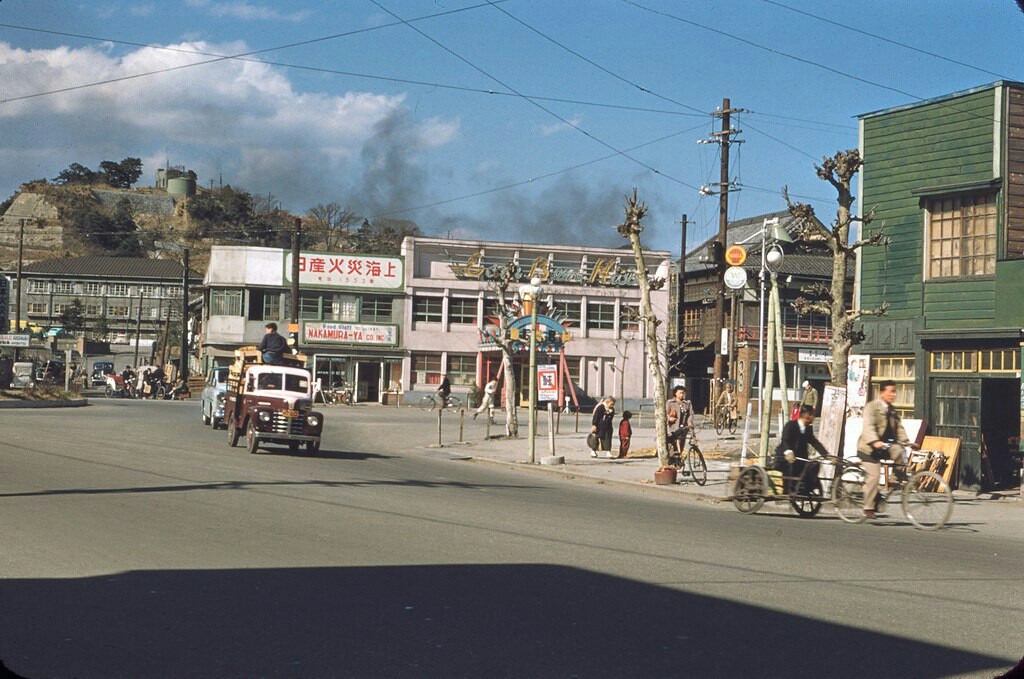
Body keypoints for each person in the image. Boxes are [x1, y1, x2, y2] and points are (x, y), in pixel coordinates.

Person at [856, 380, 914, 519]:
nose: (893, 395)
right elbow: (868, 426)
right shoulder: (872, 407)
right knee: (874, 476)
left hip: (884, 447)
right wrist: (875, 441)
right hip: (868, 448)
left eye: (895, 391)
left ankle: (895, 479)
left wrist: (907, 442)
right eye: (891, 391)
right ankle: (868, 507)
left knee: (900, 451)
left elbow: (899, 428)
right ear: (882, 393)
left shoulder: (892, 410)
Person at [773, 405, 829, 494]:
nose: (814, 417)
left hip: (801, 458)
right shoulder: (790, 425)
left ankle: (807, 487)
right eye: (813, 415)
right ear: (807, 416)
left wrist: (826, 455)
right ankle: (789, 489)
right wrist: (789, 452)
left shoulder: (808, 428)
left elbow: (814, 442)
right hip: (785, 457)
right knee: (791, 465)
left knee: (814, 465)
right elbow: (785, 440)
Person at [666, 385, 694, 455]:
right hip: (673, 427)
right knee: (674, 444)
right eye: (680, 393)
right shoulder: (670, 403)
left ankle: (679, 459)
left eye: (683, 393)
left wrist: (689, 422)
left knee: (681, 444)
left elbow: (690, 414)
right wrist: (669, 418)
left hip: (683, 428)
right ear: (675, 393)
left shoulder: (687, 403)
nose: (682, 395)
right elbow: (665, 414)